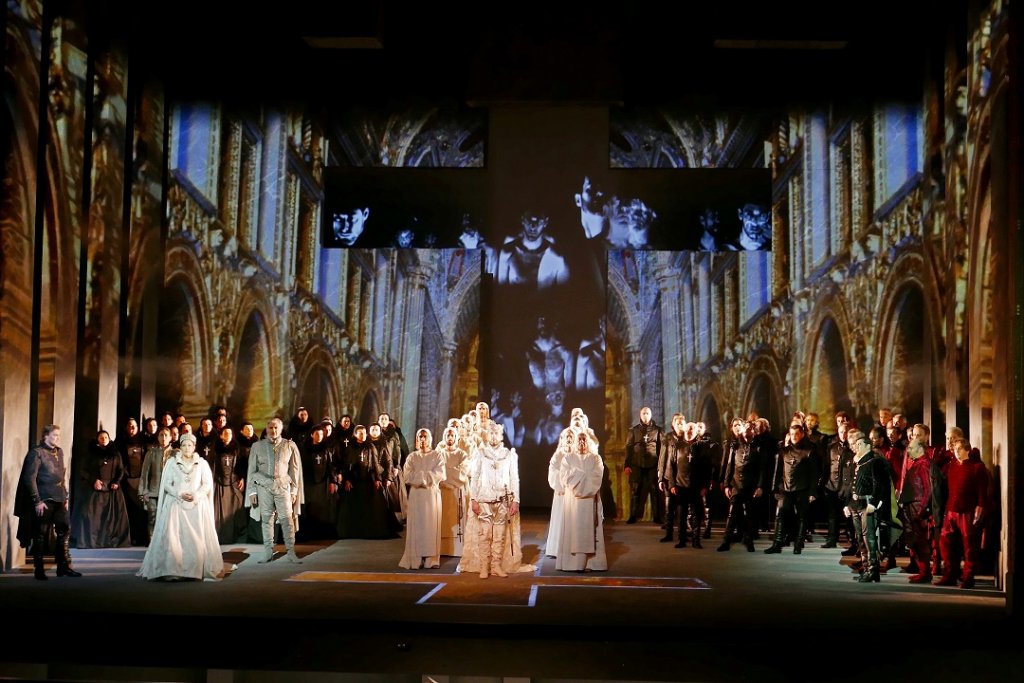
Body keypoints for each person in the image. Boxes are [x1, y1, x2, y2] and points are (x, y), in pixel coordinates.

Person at [138, 433, 224, 581]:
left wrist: (196, 495)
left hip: (195, 506)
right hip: (176, 505)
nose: (186, 448)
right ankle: (173, 570)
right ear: (180, 447)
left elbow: (207, 484)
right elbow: (166, 483)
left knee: (195, 538)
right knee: (174, 538)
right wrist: (178, 493)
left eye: (189, 445)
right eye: (183, 445)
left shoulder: (201, 463)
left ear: (194, 446)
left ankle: (194, 569)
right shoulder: (172, 463)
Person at [15, 425, 82, 580]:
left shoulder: (59, 451)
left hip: (59, 499)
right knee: (40, 535)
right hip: (44, 500)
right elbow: (29, 478)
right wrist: (37, 501)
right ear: (46, 435)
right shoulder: (37, 453)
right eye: (54, 435)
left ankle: (63, 567)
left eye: (58, 435)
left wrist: (64, 496)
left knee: (64, 530)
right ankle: (39, 570)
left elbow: (62, 475)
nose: (57, 438)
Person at [462, 424, 525, 578]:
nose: (494, 436)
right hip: (484, 498)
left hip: (503, 499)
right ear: (487, 435)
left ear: (501, 435)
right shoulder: (481, 453)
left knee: (499, 534)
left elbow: (514, 478)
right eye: (491, 433)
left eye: (496, 433)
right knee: (484, 534)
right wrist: (474, 499)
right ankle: (485, 566)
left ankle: (496, 565)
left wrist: (515, 500)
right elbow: (475, 477)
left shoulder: (509, 454)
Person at [245, 417, 304, 563]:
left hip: (283, 485)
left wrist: (294, 491)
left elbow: (294, 470)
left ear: (281, 429)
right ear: (266, 428)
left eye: (276, 427)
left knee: (287, 519)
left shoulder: (290, 445)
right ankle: (268, 552)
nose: (273, 430)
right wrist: (252, 491)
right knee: (266, 519)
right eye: (271, 427)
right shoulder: (257, 446)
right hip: (263, 485)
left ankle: (291, 552)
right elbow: (252, 470)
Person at [935, 438, 991, 589]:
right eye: (955, 449)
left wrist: (979, 513)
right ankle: (950, 574)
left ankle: (968, 577)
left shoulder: (977, 468)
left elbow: (982, 494)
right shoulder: (952, 466)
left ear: (967, 450)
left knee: (970, 546)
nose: (956, 452)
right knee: (945, 543)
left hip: (968, 511)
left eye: (960, 449)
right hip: (951, 509)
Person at [555, 429, 608, 571]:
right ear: (575, 442)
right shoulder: (568, 458)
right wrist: (582, 476)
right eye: (579, 439)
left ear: (588, 441)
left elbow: (597, 477)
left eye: (584, 439)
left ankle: (591, 563)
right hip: (572, 503)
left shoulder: (595, 458)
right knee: (573, 531)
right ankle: (572, 563)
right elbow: (564, 477)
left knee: (590, 530)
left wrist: (579, 478)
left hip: (590, 501)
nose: (582, 442)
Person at [845, 432, 892, 583]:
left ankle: (873, 569)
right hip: (855, 505)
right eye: (855, 444)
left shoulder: (875, 462)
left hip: (867, 505)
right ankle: (866, 568)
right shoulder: (857, 462)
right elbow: (851, 486)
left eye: (860, 445)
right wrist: (847, 504)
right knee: (860, 537)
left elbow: (880, 485)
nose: (856, 447)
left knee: (869, 538)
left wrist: (874, 503)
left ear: (867, 446)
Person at [70, 430, 131, 548]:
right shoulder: (91, 453)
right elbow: (83, 470)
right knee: (93, 516)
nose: (104, 439)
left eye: (106, 437)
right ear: (97, 439)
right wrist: (93, 480)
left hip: (112, 489)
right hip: (96, 489)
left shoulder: (115, 453)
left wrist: (116, 482)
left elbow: (121, 469)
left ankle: (109, 541)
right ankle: (94, 541)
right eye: (101, 438)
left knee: (112, 518)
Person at [764, 423, 818, 555]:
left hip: (803, 489)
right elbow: (777, 472)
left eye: (797, 434)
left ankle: (798, 544)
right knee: (780, 516)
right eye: (792, 434)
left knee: (801, 517)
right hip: (785, 490)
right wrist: (775, 489)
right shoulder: (783, 451)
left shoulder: (809, 451)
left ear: (802, 434)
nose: (794, 436)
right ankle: (777, 544)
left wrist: (812, 492)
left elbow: (814, 474)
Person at [399, 429, 446, 570]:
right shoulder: (412, 457)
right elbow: (407, 475)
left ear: (430, 438)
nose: (423, 439)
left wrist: (422, 477)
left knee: (431, 526)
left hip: (431, 495)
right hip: (416, 496)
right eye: (420, 436)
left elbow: (441, 474)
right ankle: (415, 559)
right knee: (417, 526)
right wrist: (425, 477)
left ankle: (431, 560)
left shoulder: (437, 455)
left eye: (425, 436)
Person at [718, 421, 763, 552]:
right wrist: (726, 484)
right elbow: (729, 466)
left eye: (749, 429)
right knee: (732, 514)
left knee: (749, 514)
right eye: (745, 428)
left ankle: (749, 541)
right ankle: (726, 541)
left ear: (753, 431)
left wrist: (759, 486)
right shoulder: (735, 445)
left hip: (750, 485)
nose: (746, 431)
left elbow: (762, 469)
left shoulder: (758, 447)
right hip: (736, 484)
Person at [495, 210, 570, 289]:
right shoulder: (507, 252)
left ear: (545, 222)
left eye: (539, 221)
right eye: (529, 220)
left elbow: (564, 293)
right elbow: (502, 290)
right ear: (522, 220)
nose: (533, 227)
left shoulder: (556, 256)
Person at [624, 406, 663, 524]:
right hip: (637, 464)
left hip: (653, 465)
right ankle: (633, 516)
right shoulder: (633, 430)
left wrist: (660, 466)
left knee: (654, 491)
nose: (645, 415)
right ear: (640, 415)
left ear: (651, 415)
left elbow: (661, 449)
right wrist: (627, 465)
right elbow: (629, 448)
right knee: (635, 491)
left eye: (647, 413)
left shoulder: (658, 430)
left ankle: (657, 517)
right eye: (643, 413)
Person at [438, 426, 470, 557]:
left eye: (452, 436)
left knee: (456, 520)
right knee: (443, 520)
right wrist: (446, 477)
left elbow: (462, 472)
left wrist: (447, 475)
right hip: (442, 492)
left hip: (457, 492)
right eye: (448, 435)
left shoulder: (462, 454)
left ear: (456, 438)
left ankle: (456, 549)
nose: (450, 438)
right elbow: (437, 471)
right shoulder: (438, 454)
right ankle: (442, 548)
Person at [212, 426, 248, 544]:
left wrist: (242, 477)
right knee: (218, 512)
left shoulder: (237, 449)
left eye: (230, 433)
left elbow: (242, 465)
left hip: (233, 483)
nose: (228, 435)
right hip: (219, 484)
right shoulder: (215, 449)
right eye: (226, 433)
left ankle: (235, 538)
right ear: (221, 435)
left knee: (236, 510)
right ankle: (219, 538)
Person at [139, 427, 175, 540]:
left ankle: (167, 545)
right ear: (158, 437)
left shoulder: (176, 454)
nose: (163, 438)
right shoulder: (151, 453)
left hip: (170, 492)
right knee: (152, 517)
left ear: (170, 437)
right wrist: (143, 491)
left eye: (166, 435)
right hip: (153, 492)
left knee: (168, 519)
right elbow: (145, 473)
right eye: (161, 435)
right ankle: (153, 546)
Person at [545, 428, 575, 558]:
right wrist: (563, 481)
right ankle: (556, 549)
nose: (569, 439)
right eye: (566, 437)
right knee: (559, 519)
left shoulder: (577, 454)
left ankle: (571, 548)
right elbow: (553, 470)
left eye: (571, 437)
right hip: (562, 493)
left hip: (573, 493)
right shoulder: (558, 454)